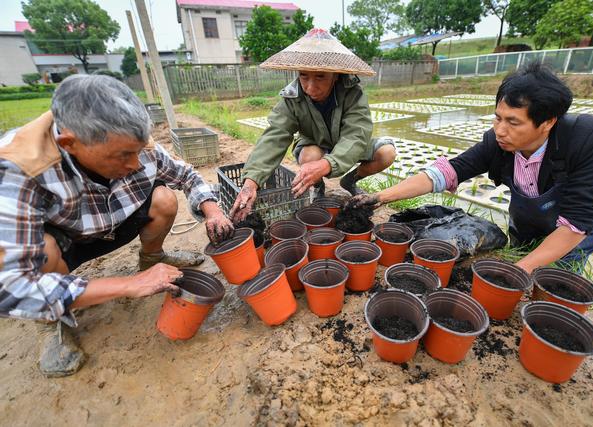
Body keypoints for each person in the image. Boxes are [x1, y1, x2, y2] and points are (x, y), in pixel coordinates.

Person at [0, 75, 233, 377]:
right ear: (70, 144)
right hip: (68, 240)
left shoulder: (132, 141)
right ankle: (52, 323)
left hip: (115, 222)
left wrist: (212, 210)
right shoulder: (19, 169)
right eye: (123, 155)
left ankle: (153, 257)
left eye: (137, 150)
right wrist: (128, 285)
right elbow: (10, 287)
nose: (136, 163)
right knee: (42, 249)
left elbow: (188, 175)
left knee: (163, 197)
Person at [350, 62, 593, 274]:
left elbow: (577, 222)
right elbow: (447, 172)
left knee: (559, 266)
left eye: (513, 122)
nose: (500, 130)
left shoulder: (589, 138)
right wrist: (379, 197)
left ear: (547, 122)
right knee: (520, 249)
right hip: (537, 209)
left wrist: (519, 271)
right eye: (497, 118)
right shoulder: (497, 142)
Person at [229, 28, 397, 222]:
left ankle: (350, 180)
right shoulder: (292, 97)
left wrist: (327, 164)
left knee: (386, 153)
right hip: (315, 142)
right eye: (303, 76)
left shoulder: (353, 93)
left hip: (347, 144)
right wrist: (251, 182)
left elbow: (356, 135)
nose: (310, 87)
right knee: (310, 157)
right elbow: (275, 135)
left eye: (320, 77)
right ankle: (318, 187)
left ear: (335, 75)